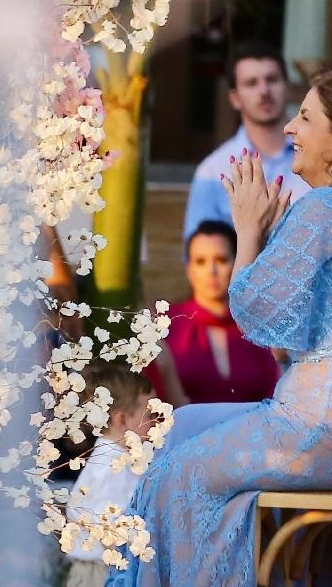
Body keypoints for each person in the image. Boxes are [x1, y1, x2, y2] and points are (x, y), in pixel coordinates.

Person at [108, 70, 332, 586]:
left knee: (184, 473)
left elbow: (252, 319)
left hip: (311, 426)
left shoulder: (320, 207)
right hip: (309, 418)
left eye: (306, 117)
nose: (292, 129)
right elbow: (282, 346)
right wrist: (274, 242)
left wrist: (249, 233)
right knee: (179, 428)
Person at [183, 41, 308, 237]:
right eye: (251, 83)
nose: (264, 91)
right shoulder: (213, 170)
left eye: (272, 79)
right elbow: (200, 256)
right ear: (234, 98)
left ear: (288, 88)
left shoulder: (319, 156)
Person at [155, 221, 281, 407]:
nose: (211, 271)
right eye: (200, 261)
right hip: (184, 433)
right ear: (188, 269)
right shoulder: (165, 324)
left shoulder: (261, 326)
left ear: (237, 262)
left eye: (221, 260)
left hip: (253, 432)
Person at [64, 362, 157, 586]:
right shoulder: (110, 468)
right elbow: (110, 533)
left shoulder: (117, 460)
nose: (156, 422)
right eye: (150, 414)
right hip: (102, 574)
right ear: (121, 419)